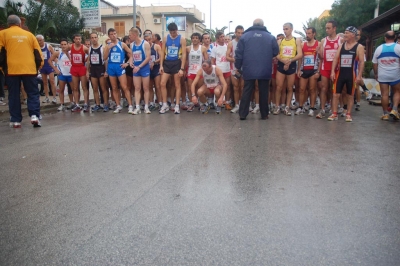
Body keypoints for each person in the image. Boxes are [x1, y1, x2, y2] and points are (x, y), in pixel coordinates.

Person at [0, 15, 43, 128]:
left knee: (13, 95)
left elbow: (0, 54)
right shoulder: (29, 35)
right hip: (29, 69)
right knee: (33, 93)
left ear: (8, 24)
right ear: (20, 24)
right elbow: (38, 54)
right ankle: (34, 116)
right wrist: (37, 67)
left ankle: (16, 120)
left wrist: (2, 69)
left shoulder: (2, 34)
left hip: (11, 70)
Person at [235, 18, 279, 120]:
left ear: (253, 24)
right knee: (264, 91)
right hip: (265, 68)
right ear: (263, 25)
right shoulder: (271, 37)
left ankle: (242, 114)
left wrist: (238, 66)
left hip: (248, 68)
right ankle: (264, 114)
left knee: (247, 90)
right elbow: (275, 52)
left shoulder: (244, 37)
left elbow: (239, 54)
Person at [329, 26, 364, 122]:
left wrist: (359, 76)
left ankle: (348, 114)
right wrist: (332, 71)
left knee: (350, 95)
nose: (345, 34)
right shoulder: (342, 46)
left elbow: (361, 62)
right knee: (336, 94)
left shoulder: (359, 47)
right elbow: (335, 59)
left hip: (351, 74)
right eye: (345, 32)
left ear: (353, 35)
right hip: (340, 73)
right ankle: (334, 113)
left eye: (347, 33)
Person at [273, 22, 303, 116]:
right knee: (279, 87)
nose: (285, 31)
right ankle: (277, 107)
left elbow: (300, 54)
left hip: (292, 64)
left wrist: (289, 60)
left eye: (286, 29)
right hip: (282, 65)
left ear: (291, 29)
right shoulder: (280, 41)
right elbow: (276, 54)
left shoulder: (296, 40)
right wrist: (283, 61)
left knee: (290, 88)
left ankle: (287, 107)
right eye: (284, 29)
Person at [103, 28, 134, 114]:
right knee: (114, 87)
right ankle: (118, 105)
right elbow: (104, 58)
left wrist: (127, 63)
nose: (113, 35)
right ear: (109, 36)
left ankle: (130, 106)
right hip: (111, 67)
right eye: (111, 34)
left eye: (115, 33)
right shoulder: (107, 46)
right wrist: (108, 48)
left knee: (124, 87)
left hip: (120, 67)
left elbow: (131, 54)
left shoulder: (122, 44)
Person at [159, 22, 187, 114]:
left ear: (177, 30)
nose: (173, 34)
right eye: (171, 32)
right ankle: (165, 104)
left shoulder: (181, 39)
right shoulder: (166, 38)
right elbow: (162, 52)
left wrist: (182, 68)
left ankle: (177, 105)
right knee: (162, 83)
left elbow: (184, 54)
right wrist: (161, 66)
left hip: (176, 63)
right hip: (167, 63)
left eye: (174, 32)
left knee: (177, 85)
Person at [372, 30, 400, 121]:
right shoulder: (398, 47)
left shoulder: (379, 48)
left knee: (384, 94)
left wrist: (376, 73)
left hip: (383, 75)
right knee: (397, 92)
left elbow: (375, 63)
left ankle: (385, 114)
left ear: (385, 38)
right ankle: (395, 109)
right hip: (395, 74)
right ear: (394, 38)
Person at [317, 20, 342, 119]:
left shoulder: (340, 40)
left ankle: (333, 109)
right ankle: (322, 109)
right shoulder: (324, 41)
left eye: (329, 28)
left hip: (336, 69)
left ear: (334, 28)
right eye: (326, 28)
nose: (326, 30)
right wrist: (319, 53)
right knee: (323, 88)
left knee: (334, 90)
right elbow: (322, 57)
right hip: (325, 68)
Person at [297, 27, 319, 116]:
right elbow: (300, 58)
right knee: (301, 89)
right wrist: (298, 69)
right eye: (306, 33)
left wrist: (319, 71)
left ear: (314, 34)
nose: (307, 35)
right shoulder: (303, 45)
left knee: (312, 89)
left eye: (309, 33)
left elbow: (321, 58)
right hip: (304, 69)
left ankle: (312, 107)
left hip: (313, 70)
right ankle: (301, 107)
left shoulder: (318, 44)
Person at [129, 27, 151, 115]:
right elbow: (131, 56)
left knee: (145, 88)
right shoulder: (131, 45)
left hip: (144, 68)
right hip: (136, 69)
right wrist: (131, 63)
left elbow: (148, 57)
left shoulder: (145, 44)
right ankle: (137, 107)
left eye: (130, 35)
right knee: (137, 88)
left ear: (134, 35)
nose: (129, 37)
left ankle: (146, 107)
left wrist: (140, 66)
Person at [87, 32, 109, 112]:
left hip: (101, 68)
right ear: (90, 39)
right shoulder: (90, 48)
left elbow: (105, 60)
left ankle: (106, 104)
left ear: (98, 38)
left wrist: (106, 71)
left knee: (103, 88)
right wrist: (87, 71)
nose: (94, 39)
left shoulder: (102, 48)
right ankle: (97, 104)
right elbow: (89, 60)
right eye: (92, 38)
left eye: (95, 37)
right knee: (95, 88)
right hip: (93, 69)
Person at [186, 32, 208, 112]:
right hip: (191, 71)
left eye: (196, 38)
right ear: (191, 39)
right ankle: (192, 103)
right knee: (190, 87)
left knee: (199, 88)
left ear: (199, 40)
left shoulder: (203, 48)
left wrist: (204, 69)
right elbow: (186, 60)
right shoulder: (188, 48)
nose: (195, 39)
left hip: (199, 71)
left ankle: (202, 104)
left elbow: (206, 60)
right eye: (193, 38)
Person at [48, 39, 72, 111]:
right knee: (61, 89)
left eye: (65, 44)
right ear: (60, 45)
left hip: (70, 74)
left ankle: (72, 103)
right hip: (62, 74)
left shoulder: (71, 52)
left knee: (72, 89)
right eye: (62, 44)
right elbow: (49, 61)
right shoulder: (58, 53)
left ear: (68, 45)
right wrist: (55, 69)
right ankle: (62, 104)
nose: (64, 46)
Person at [211, 31, 232, 110]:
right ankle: (218, 102)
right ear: (217, 39)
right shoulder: (214, 48)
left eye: (223, 36)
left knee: (228, 87)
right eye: (221, 37)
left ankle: (227, 102)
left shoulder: (228, 46)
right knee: (218, 87)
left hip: (227, 70)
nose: (223, 38)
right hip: (218, 71)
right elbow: (213, 60)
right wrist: (214, 70)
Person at [69, 33, 89, 112]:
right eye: (76, 39)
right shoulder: (71, 46)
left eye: (79, 39)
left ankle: (85, 104)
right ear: (74, 40)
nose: (78, 40)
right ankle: (77, 104)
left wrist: (86, 61)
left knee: (84, 87)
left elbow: (90, 54)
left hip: (81, 68)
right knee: (75, 87)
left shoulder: (84, 48)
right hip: (74, 68)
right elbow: (65, 50)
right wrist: (69, 58)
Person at [227, 25, 245, 114]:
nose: (240, 34)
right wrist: (235, 60)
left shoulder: (246, 42)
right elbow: (227, 57)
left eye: (242, 33)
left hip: (244, 68)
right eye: (238, 33)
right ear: (235, 33)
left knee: (243, 87)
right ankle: (237, 105)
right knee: (236, 87)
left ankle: (243, 105)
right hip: (234, 69)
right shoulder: (231, 43)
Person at [36, 35, 57, 104]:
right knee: (44, 82)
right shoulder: (37, 47)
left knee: (52, 81)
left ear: (43, 40)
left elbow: (54, 55)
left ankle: (54, 97)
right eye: (38, 40)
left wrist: (57, 65)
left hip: (49, 66)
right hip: (42, 66)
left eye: (40, 40)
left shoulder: (48, 46)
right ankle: (47, 97)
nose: (39, 42)